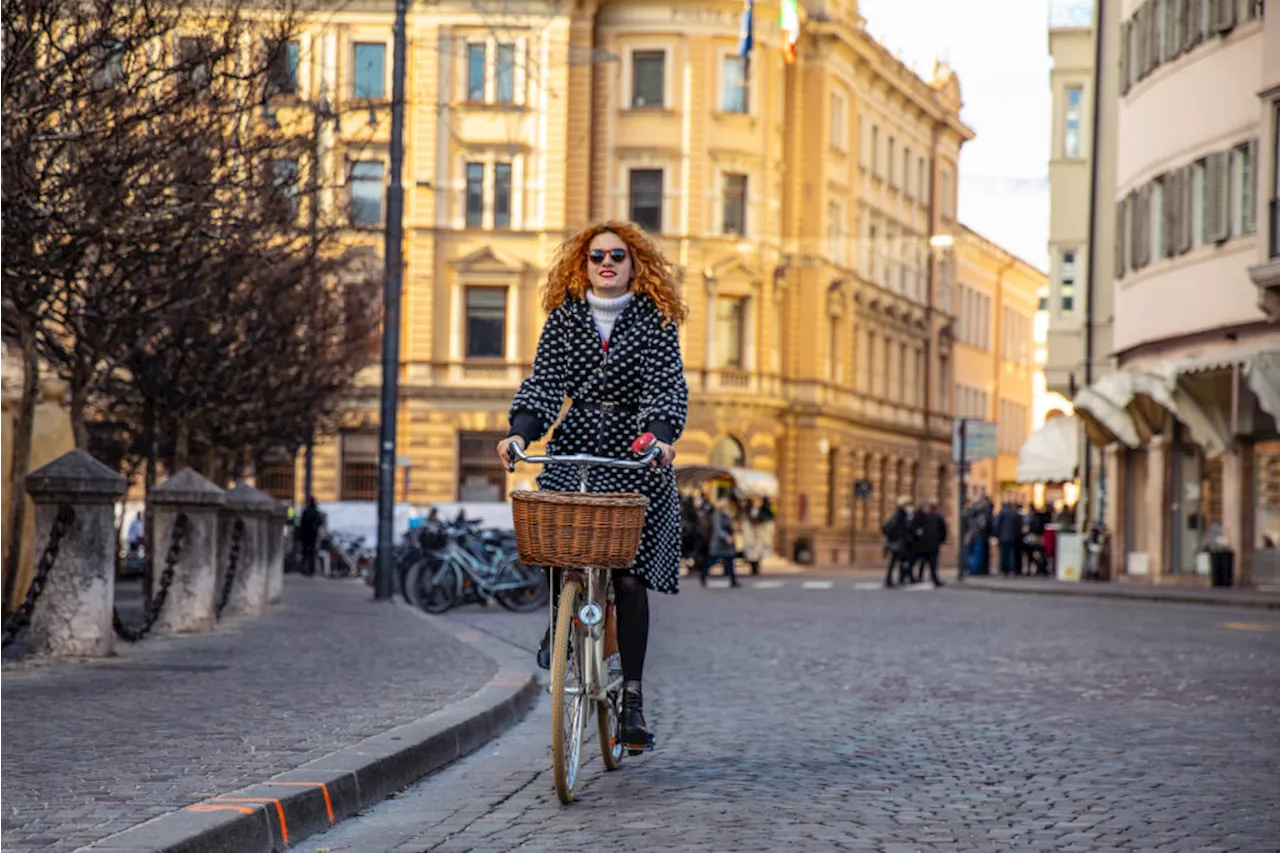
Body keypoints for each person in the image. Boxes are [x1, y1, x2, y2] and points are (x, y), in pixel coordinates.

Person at [496, 220, 688, 754]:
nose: (606, 263)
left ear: (634, 265)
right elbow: (545, 384)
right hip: (576, 443)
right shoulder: (565, 319)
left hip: (634, 450)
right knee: (562, 546)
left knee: (628, 579)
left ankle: (633, 700)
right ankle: (560, 627)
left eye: (617, 256)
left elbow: (667, 387)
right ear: (582, 265)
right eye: (596, 256)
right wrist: (519, 433)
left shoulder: (655, 321)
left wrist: (662, 439)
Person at [907, 499, 947, 586]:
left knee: (929, 563)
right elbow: (943, 531)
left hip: (926, 544)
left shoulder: (929, 517)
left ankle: (932, 579)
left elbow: (942, 531)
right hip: (924, 544)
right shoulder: (924, 516)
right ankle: (914, 577)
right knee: (918, 562)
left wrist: (940, 540)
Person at [703, 498, 741, 587]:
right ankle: (703, 575)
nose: (727, 506)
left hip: (728, 543)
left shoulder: (728, 515)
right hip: (719, 543)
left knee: (730, 561)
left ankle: (733, 581)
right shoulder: (717, 515)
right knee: (712, 561)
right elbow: (718, 529)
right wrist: (726, 537)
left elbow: (731, 527)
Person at [882, 497, 913, 587]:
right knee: (901, 561)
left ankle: (895, 578)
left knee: (897, 561)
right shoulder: (901, 515)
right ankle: (898, 579)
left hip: (897, 542)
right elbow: (903, 528)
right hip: (900, 542)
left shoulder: (898, 514)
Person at [298, 497, 323, 577]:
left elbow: (301, 522)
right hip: (313, 535)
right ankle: (311, 570)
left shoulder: (306, 511)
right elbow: (320, 521)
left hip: (305, 535)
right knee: (311, 553)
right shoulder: (316, 512)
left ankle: (303, 569)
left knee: (305, 552)